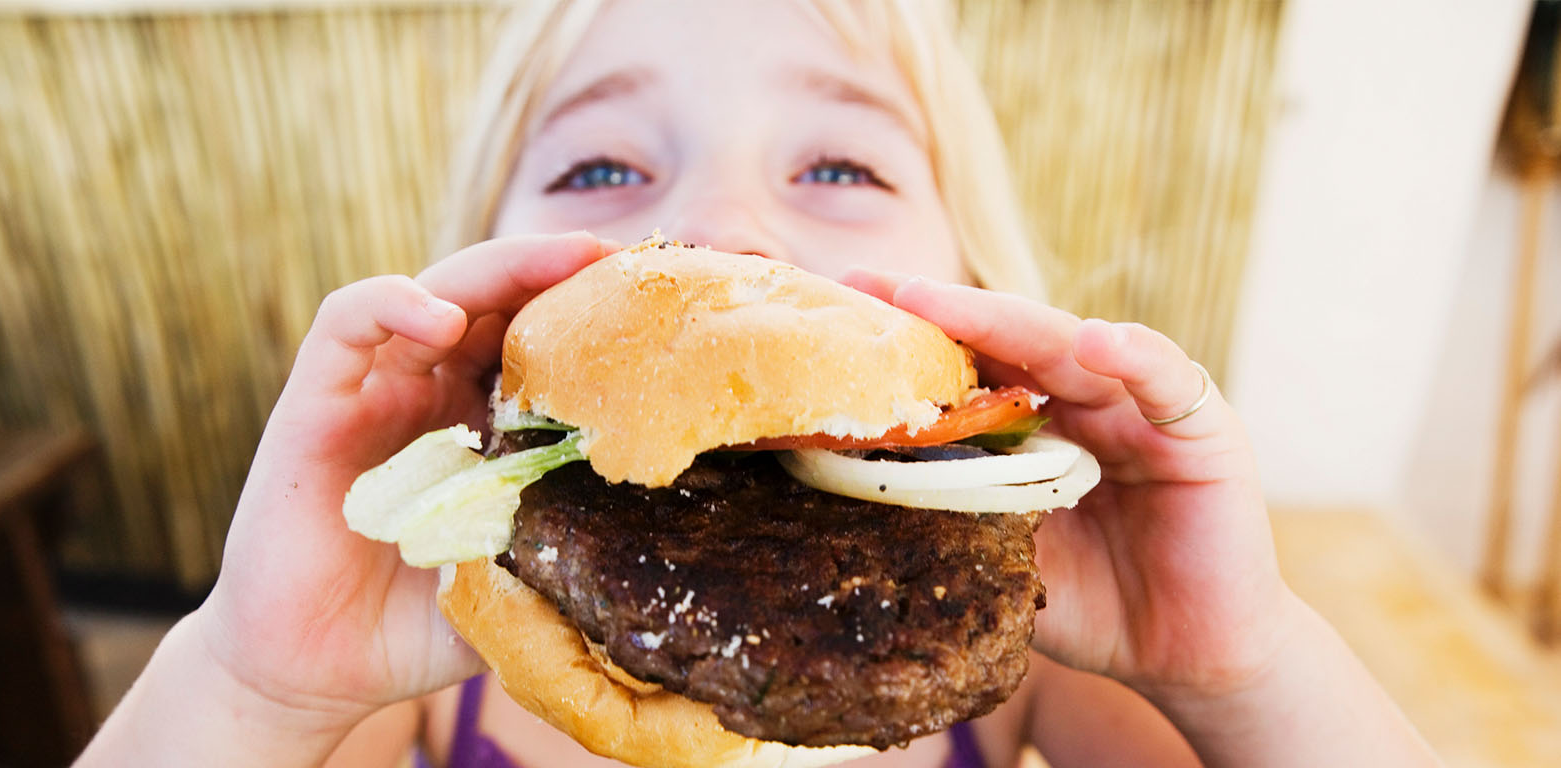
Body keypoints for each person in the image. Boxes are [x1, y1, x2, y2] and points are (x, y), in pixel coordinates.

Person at [76, 1, 1441, 766]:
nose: (727, 227)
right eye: (604, 168)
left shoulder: (1038, 656)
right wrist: (255, 686)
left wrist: (1247, 668)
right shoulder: (424, 677)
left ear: (972, 270)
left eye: (838, 169)